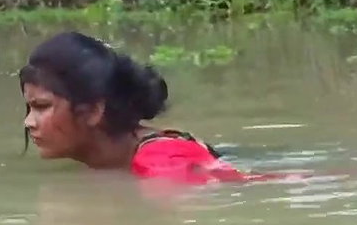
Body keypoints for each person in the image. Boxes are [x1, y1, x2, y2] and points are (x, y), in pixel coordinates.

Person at [18, 31, 254, 185]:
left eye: (42, 107)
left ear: (92, 111)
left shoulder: (161, 161)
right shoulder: (109, 160)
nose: (28, 122)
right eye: (30, 108)